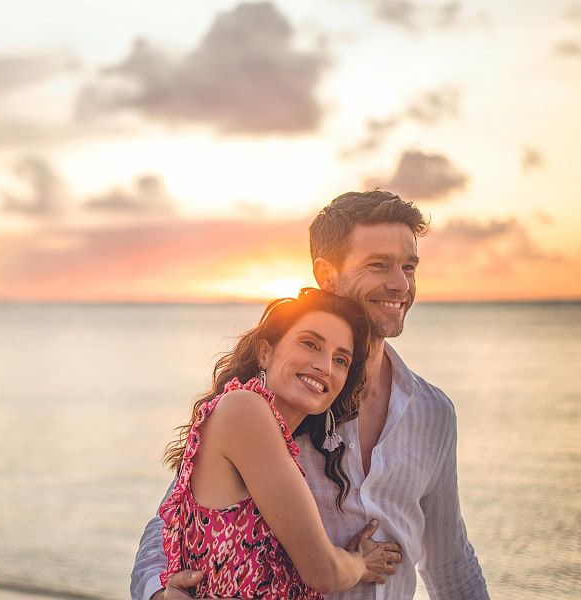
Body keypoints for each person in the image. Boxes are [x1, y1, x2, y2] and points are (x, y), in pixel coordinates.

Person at [132, 190, 489, 600]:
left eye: (409, 267)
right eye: (379, 265)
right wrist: (157, 594)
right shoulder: (283, 402)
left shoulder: (433, 412)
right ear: (326, 273)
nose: (400, 284)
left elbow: (449, 561)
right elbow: (173, 521)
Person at [157, 288, 403, 598]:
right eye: (310, 344)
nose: (325, 366)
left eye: (340, 360)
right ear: (265, 352)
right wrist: (360, 563)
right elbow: (323, 572)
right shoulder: (243, 409)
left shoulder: (273, 438)